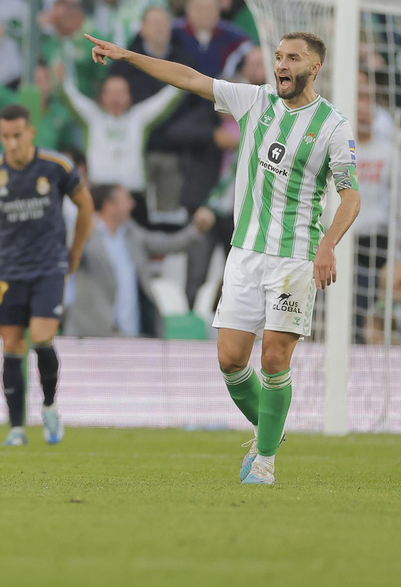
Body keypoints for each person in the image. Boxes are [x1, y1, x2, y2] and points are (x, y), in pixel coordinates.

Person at [86, 29, 361, 486]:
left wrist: (328, 243)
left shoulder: (333, 126)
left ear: (314, 68)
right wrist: (127, 56)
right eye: (277, 57)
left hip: (294, 258)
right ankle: (271, 428)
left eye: (292, 58)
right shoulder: (253, 101)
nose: (281, 65)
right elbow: (188, 77)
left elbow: (350, 196)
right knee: (231, 360)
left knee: (274, 357)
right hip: (245, 254)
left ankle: (265, 461)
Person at [0, 104, 93, 447]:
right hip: (9, 270)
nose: (11, 144)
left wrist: (75, 251)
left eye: (17, 135)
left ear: (31, 132)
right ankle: (17, 428)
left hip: (49, 267)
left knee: (40, 336)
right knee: (12, 345)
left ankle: (49, 407)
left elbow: (86, 206)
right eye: (5, 137)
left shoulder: (56, 167)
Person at [71, 184, 214, 337]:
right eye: (126, 199)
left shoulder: (131, 233)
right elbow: (66, 256)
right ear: (109, 205)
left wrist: (197, 228)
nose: (132, 204)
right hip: (94, 335)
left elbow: (168, 243)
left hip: (132, 332)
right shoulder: (85, 233)